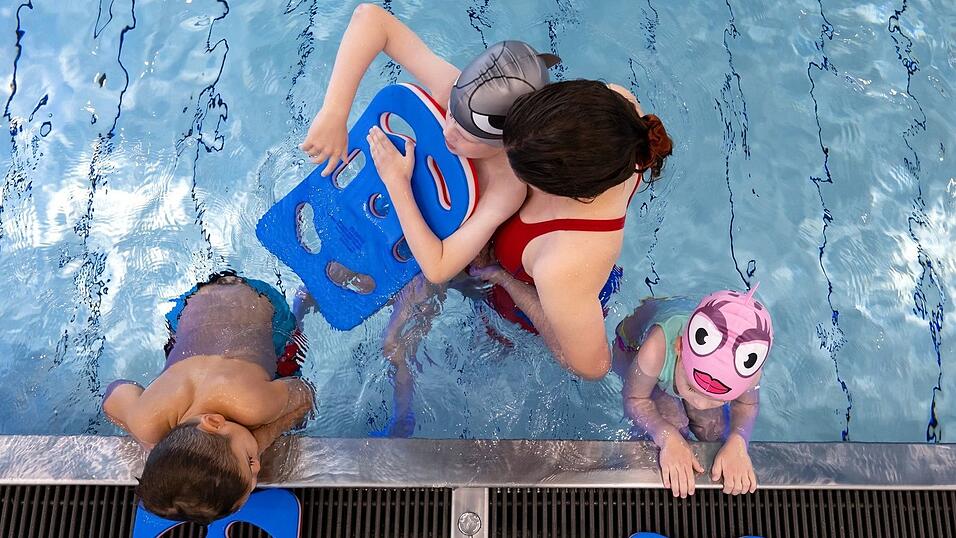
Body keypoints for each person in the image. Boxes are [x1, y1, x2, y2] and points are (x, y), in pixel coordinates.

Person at [300, 3, 553, 435]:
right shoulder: (454, 88)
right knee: (325, 273)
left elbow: (439, 264)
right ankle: (301, 315)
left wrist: (397, 182)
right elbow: (371, 19)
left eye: (466, 135)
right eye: (450, 115)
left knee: (394, 344)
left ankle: (403, 416)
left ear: (510, 141)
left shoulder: (507, 183)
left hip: (447, 252)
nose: (449, 132)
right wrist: (335, 112)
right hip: (404, 214)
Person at [469, 79, 673, 380]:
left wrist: (504, 278)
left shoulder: (565, 261)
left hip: (542, 305)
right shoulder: (620, 112)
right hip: (575, 285)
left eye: (521, 168)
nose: (504, 159)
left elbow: (592, 367)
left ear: (566, 190)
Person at [101, 271, 315, 524]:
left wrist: (264, 436)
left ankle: (302, 302)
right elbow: (112, 395)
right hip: (190, 305)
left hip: (260, 303)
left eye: (250, 462)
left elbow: (304, 394)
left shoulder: (252, 404)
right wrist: (152, 439)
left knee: (292, 362)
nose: (258, 465)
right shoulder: (147, 421)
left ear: (214, 422)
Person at [613, 288, 774, 498]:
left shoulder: (750, 372)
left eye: (716, 398)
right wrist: (667, 437)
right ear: (679, 347)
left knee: (715, 431)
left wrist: (738, 439)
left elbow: (747, 405)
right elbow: (635, 398)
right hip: (632, 343)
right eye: (691, 388)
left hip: (696, 329)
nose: (700, 404)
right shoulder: (657, 348)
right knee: (673, 425)